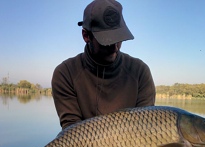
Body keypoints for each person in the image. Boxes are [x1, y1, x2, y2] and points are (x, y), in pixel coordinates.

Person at [52, 0, 156, 130]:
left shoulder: (140, 72)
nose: (115, 48)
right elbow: (71, 133)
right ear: (86, 35)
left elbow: (144, 128)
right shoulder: (65, 73)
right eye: (107, 41)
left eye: (118, 39)